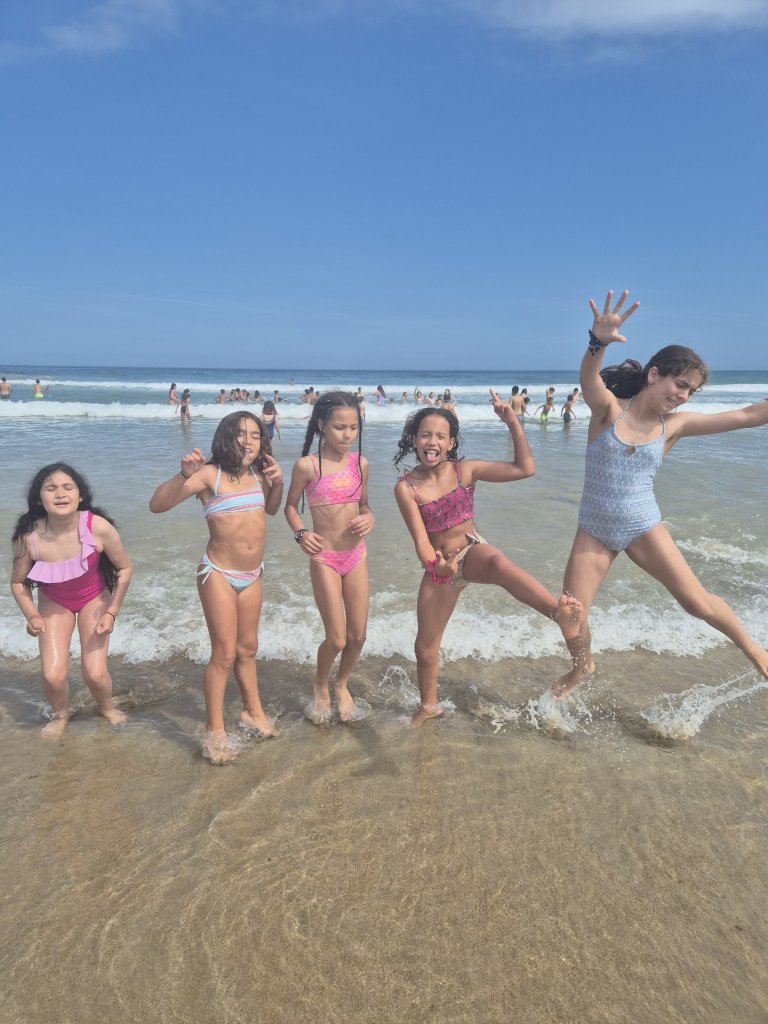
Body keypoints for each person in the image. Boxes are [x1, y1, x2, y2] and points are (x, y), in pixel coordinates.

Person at [553, 290, 768, 700]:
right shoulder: (609, 411)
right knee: (570, 615)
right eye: (680, 384)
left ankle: (755, 649)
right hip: (594, 529)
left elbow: (747, 415)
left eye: (691, 391)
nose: (683, 395)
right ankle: (582, 667)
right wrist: (597, 342)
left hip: (642, 526)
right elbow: (589, 380)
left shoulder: (676, 425)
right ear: (654, 375)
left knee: (697, 603)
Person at [394, 394, 584, 727]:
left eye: (440, 436)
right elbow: (421, 541)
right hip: (439, 568)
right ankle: (429, 706)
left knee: (497, 562)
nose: (432, 441)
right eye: (425, 434)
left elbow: (525, 468)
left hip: (471, 552)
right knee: (425, 649)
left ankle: (557, 613)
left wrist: (513, 422)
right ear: (414, 440)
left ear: (451, 442)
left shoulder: (464, 470)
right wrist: (437, 567)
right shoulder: (406, 487)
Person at [149, 412, 284, 763]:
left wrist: (279, 483)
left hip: (252, 574)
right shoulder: (211, 475)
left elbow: (271, 510)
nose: (248, 441)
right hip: (218, 574)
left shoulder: (258, 474)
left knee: (248, 648)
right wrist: (184, 474)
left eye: (255, 435)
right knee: (224, 653)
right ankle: (214, 729)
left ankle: (253, 711)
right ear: (225, 437)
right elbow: (157, 505)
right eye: (240, 434)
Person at [10, 464, 132, 738]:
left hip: (94, 599)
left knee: (95, 674)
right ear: (38, 498)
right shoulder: (29, 537)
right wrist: (32, 615)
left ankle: (107, 707)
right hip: (54, 602)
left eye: (68, 487)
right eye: (50, 488)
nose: (60, 494)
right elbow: (18, 583)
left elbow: (125, 569)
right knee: (53, 676)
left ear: (80, 495)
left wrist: (111, 612)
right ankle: (61, 714)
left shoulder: (97, 527)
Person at [284, 392, 374, 723]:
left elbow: (364, 505)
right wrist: (301, 533)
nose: (348, 434)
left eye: (353, 427)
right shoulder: (307, 466)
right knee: (336, 637)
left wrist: (370, 517)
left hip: (355, 555)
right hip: (325, 557)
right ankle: (320, 680)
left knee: (358, 636)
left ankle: (341, 682)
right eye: (339, 427)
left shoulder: (360, 464)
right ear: (322, 425)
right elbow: (290, 507)